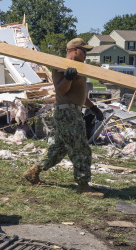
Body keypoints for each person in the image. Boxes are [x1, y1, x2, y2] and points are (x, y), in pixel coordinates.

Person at [23, 38, 105, 196]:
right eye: (84, 50)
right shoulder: (61, 65)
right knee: (80, 148)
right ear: (74, 50)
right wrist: (67, 77)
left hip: (71, 111)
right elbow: (61, 90)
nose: (86, 54)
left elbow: (79, 94)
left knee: (59, 149)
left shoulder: (79, 68)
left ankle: (33, 172)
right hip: (68, 113)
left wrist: (92, 107)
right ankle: (83, 186)